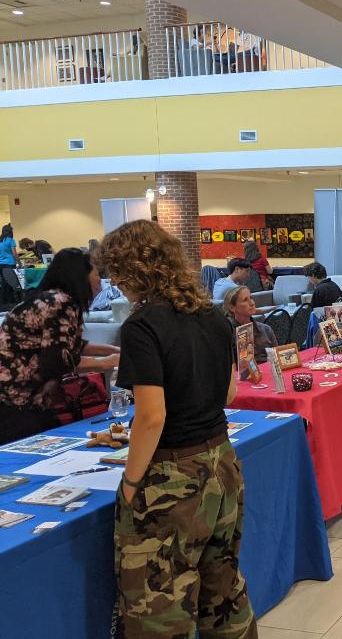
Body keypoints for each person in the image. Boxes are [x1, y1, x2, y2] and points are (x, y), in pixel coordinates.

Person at [96, 220, 257, 636]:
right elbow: (229, 394)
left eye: (117, 273)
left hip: (172, 475)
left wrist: (130, 484)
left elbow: (151, 417)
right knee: (222, 589)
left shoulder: (143, 325)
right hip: (222, 462)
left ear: (133, 270)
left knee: (158, 606)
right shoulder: (214, 317)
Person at [0, 248, 120, 444]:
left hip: (21, 399)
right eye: (97, 274)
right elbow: (58, 359)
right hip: (16, 400)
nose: (100, 280)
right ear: (80, 275)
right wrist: (107, 363)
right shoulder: (61, 302)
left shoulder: (48, 298)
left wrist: (114, 350)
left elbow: (70, 344)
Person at [223, 285, 277, 364]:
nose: (252, 303)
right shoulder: (229, 335)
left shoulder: (266, 329)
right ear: (232, 308)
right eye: (245, 300)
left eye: (251, 298)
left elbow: (277, 359)